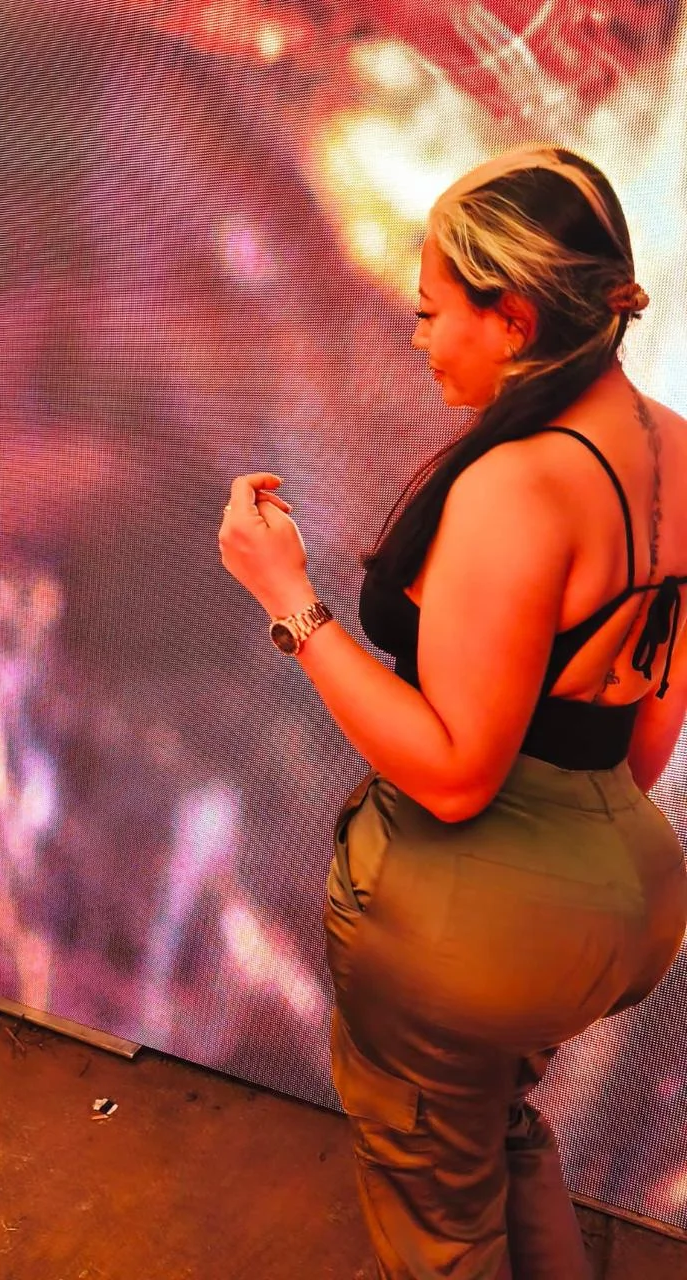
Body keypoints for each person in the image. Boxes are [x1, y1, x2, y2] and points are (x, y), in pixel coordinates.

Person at [218, 144, 687, 1279]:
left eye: (433, 312)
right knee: (495, 1128)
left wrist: (289, 602)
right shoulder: (677, 448)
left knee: (440, 1228)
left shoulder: (516, 487)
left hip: (470, 925)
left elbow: (457, 772)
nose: (418, 336)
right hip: (627, 894)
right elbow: (650, 734)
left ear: (514, 318)